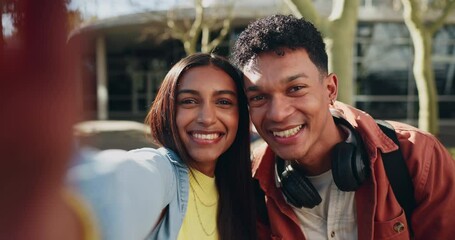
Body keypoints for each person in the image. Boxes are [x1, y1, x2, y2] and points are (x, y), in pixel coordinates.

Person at [231, 14, 455, 239]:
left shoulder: (418, 157)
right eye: (258, 97)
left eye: (296, 88)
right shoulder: (250, 185)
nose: (278, 114)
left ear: (330, 89)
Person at [68, 53, 256, 240]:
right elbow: (116, 183)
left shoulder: (242, 189)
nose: (207, 118)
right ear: (168, 110)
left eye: (223, 102)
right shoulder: (162, 171)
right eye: (189, 101)